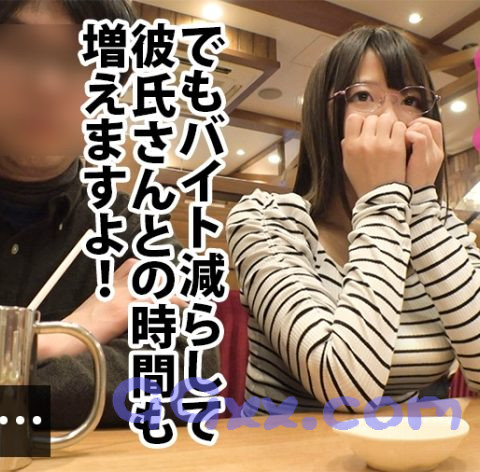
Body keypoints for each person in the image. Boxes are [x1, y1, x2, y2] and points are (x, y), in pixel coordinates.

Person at [226, 25, 480, 417]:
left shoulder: (443, 231)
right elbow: (345, 390)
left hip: (406, 445)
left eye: (410, 100)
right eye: (363, 96)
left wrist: (422, 210)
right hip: (287, 445)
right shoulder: (266, 222)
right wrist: (383, 199)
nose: (392, 120)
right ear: (323, 115)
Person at [0, 0, 218, 428]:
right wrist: (68, 334)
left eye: (84, 60)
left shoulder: (134, 230)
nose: (48, 84)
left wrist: (16, 390)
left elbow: (186, 371)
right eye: (21, 49)